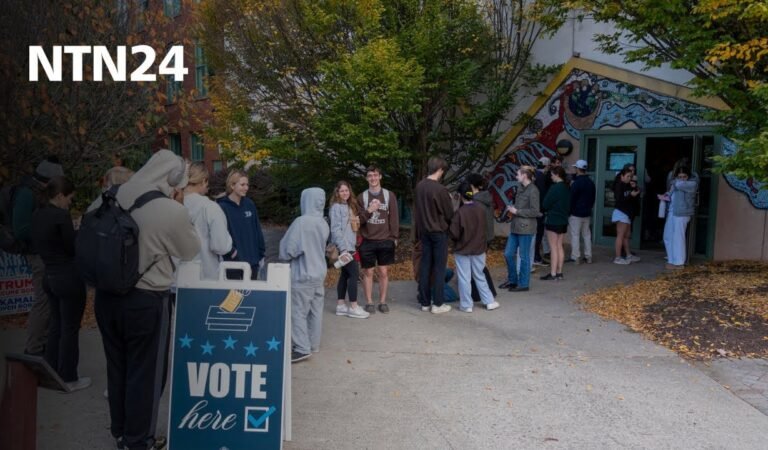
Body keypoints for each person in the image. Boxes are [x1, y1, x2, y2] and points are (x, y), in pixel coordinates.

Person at [95, 150, 200, 450]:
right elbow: (190, 250)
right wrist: (179, 207)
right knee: (146, 374)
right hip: (146, 300)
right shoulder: (168, 209)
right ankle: (138, 440)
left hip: (106, 297)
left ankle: (121, 432)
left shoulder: (110, 196)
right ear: (174, 179)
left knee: (118, 368)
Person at [30, 177, 90, 391]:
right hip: (67, 276)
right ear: (60, 196)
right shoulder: (60, 216)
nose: (70, 203)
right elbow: (72, 247)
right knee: (70, 328)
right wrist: (78, 231)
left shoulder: (37, 214)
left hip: (49, 275)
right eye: (69, 198)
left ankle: (51, 370)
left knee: (56, 325)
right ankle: (69, 376)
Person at [12, 156, 65, 356]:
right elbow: (21, 229)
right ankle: (34, 348)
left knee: (50, 301)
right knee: (43, 301)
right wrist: (49, 229)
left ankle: (43, 344)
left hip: (45, 253)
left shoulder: (36, 193)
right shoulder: (27, 194)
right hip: (37, 255)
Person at [279, 187, 330, 362]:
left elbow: (289, 250)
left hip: (302, 274)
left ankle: (301, 347)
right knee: (315, 311)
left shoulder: (301, 222)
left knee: (298, 312)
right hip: (319, 273)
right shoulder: (323, 222)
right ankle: (313, 344)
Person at [449, 180, 499, 313]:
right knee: (479, 275)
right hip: (479, 248)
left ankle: (466, 305)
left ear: (460, 195)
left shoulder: (460, 213)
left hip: (463, 249)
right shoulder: (480, 209)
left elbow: (454, 233)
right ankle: (489, 301)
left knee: (464, 277)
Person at [414, 156, 455, 314]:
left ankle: (425, 302)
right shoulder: (440, 189)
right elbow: (449, 214)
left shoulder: (419, 186)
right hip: (438, 232)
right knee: (438, 268)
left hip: (424, 231)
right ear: (440, 170)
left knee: (425, 266)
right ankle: (437, 303)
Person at [357, 166, 399, 314]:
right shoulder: (362, 197)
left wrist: (394, 237)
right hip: (367, 240)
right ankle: (369, 302)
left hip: (385, 240)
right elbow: (358, 221)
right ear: (366, 178)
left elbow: (394, 218)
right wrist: (370, 210)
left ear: (380, 176)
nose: (373, 178)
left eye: (375, 175)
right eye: (370, 176)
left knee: (383, 272)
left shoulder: (389, 195)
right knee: (368, 272)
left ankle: (382, 301)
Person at [183, 162, 235, 280]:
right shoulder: (210, 207)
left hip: (177, 277)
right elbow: (221, 246)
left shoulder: (172, 205)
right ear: (203, 181)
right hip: (205, 276)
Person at [329, 181, 369, 319]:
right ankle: (353, 307)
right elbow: (335, 229)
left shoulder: (349, 205)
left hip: (350, 246)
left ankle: (341, 305)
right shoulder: (336, 207)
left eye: (346, 190)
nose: (345, 193)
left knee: (345, 275)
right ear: (337, 192)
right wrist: (343, 249)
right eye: (342, 191)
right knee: (354, 275)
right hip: (345, 248)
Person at [217, 169, 266, 280]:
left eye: (247, 184)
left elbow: (257, 230)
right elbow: (221, 235)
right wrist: (232, 253)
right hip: (233, 263)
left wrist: (261, 253)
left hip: (252, 262)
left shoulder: (249, 204)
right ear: (232, 185)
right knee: (235, 296)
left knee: (250, 295)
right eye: (242, 184)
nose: (246, 188)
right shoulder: (222, 207)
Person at [502, 166, 540, 291]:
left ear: (524, 175)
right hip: (516, 226)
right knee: (508, 254)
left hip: (526, 228)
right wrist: (512, 209)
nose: (516, 176)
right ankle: (513, 280)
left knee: (524, 257)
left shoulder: (533, 190)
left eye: (518, 174)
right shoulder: (520, 188)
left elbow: (535, 211)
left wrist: (517, 211)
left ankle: (523, 284)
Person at [466, 173, 497, 302]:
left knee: (477, 267)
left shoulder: (476, 202)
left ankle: (482, 293)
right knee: (479, 266)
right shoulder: (485, 197)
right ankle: (483, 292)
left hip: (479, 237)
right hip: (487, 236)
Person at [661, 165, 699, 269]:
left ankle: (679, 262)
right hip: (672, 212)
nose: (682, 178)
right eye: (680, 176)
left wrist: (673, 180)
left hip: (682, 213)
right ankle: (671, 259)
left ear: (688, 176)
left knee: (678, 238)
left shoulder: (692, 183)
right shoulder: (676, 183)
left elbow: (679, 184)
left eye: (684, 176)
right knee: (668, 236)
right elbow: (671, 192)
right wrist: (665, 196)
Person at [540, 166, 570, 280]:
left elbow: (545, 204)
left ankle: (552, 273)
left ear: (557, 174)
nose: (551, 177)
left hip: (553, 220)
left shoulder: (554, 188)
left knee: (553, 247)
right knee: (559, 246)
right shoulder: (567, 187)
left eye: (552, 174)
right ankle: (559, 272)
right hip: (563, 220)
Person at [567, 160, 596, 264]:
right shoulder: (590, 182)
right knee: (587, 235)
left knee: (575, 235)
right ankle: (588, 257)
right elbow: (593, 199)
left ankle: (576, 257)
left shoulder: (576, 183)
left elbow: (571, 199)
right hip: (587, 213)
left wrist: (569, 211)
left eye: (575, 168)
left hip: (576, 213)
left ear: (578, 169)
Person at [612, 167, 640, 265]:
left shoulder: (628, 185)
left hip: (627, 213)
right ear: (622, 176)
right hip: (621, 212)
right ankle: (618, 257)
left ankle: (628, 255)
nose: (629, 178)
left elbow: (636, 194)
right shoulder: (619, 185)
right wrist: (630, 195)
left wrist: (635, 187)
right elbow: (620, 200)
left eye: (631, 176)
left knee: (626, 236)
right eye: (627, 176)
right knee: (621, 235)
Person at [533, 156, 551, 265]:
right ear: (546, 166)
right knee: (538, 234)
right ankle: (536, 256)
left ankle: (535, 256)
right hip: (539, 210)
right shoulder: (541, 177)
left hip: (533, 209)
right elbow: (542, 195)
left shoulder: (534, 175)